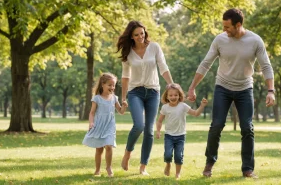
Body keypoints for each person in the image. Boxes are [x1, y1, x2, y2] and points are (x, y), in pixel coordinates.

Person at [187, 8, 275, 178]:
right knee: (216, 125)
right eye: (223, 26)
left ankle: (248, 169)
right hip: (223, 87)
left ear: (238, 25)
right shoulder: (220, 40)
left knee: (247, 128)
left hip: (245, 88)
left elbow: (266, 66)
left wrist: (270, 90)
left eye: (227, 27)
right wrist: (192, 87)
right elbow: (206, 64)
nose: (224, 30)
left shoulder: (255, 40)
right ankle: (209, 164)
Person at [117, 20, 174, 175]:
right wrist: (123, 98)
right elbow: (125, 77)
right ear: (131, 37)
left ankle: (143, 166)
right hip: (135, 92)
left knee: (149, 130)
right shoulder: (128, 53)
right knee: (139, 125)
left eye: (142, 33)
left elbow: (163, 67)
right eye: (136, 35)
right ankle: (127, 153)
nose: (140, 37)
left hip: (153, 92)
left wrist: (171, 85)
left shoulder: (154, 47)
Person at [156, 83, 208, 179]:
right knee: (167, 155)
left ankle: (177, 174)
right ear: (166, 96)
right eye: (170, 95)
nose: (173, 97)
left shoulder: (183, 106)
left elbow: (195, 113)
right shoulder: (165, 108)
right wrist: (158, 131)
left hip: (180, 136)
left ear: (179, 95)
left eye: (176, 95)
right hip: (168, 136)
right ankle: (168, 165)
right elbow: (159, 121)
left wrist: (202, 106)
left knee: (179, 156)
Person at [82, 72, 128, 177]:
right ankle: (97, 169)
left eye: (114, 85)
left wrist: (124, 106)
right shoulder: (97, 98)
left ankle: (108, 167)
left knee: (109, 146)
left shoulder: (114, 98)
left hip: (109, 125)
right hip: (98, 125)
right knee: (99, 149)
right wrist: (91, 122)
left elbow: (121, 111)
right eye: (110, 85)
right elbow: (92, 113)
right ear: (103, 84)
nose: (112, 87)